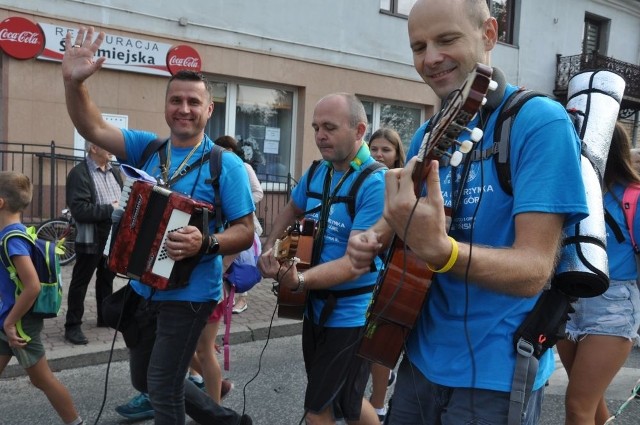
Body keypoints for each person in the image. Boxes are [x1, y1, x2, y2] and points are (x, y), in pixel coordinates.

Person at [346, 1, 588, 423]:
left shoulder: (539, 121)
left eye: (447, 39)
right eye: (418, 46)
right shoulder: (427, 131)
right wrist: (375, 234)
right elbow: (409, 220)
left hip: (497, 372)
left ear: (489, 34)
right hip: (418, 355)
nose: (430, 58)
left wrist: (444, 252)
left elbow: (534, 269)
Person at [62, 27, 255, 425]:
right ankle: (226, 421)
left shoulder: (226, 164)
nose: (184, 109)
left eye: (193, 102)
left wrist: (207, 242)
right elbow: (92, 128)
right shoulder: (147, 148)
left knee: (164, 387)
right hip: (142, 288)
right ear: (167, 106)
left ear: (209, 110)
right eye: (176, 101)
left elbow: (247, 229)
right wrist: (73, 84)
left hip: (191, 293)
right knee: (145, 378)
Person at [258, 92, 385, 425]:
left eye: (329, 127)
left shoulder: (376, 183)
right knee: (350, 402)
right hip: (315, 306)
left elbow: (354, 263)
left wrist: (299, 280)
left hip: (352, 315)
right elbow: (292, 207)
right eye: (316, 127)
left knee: (317, 409)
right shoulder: (319, 171)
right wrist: (268, 248)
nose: (319, 136)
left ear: (359, 130)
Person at [556, 123, 640, 425]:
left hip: (614, 305)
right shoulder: (568, 191)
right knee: (590, 401)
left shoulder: (633, 197)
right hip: (566, 301)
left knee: (578, 405)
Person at [0, 171, 84, 425]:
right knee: (40, 379)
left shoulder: (12, 239)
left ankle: (75, 422)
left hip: (18, 324)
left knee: (42, 379)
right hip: (9, 320)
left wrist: (10, 322)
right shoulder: (15, 233)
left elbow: (32, 286)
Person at [63, 141, 123, 345]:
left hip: (112, 235)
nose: (112, 149)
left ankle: (104, 317)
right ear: (93, 148)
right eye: (107, 146)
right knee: (81, 281)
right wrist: (110, 209)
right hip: (91, 237)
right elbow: (79, 210)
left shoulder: (113, 171)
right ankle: (72, 326)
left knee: (106, 278)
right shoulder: (79, 174)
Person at [366, 127, 405, 422]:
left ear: (396, 155)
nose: (379, 154)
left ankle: (377, 405)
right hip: (363, 268)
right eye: (374, 148)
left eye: (385, 150)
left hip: (389, 271)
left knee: (379, 341)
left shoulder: (403, 184)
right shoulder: (362, 178)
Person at [215, 135, 264, 314]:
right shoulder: (215, 167)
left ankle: (241, 299)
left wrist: (237, 203)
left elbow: (258, 192)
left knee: (240, 263)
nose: (223, 155)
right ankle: (226, 300)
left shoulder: (244, 167)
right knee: (227, 265)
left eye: (226, 151)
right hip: (224, 225)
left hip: (243, 223)